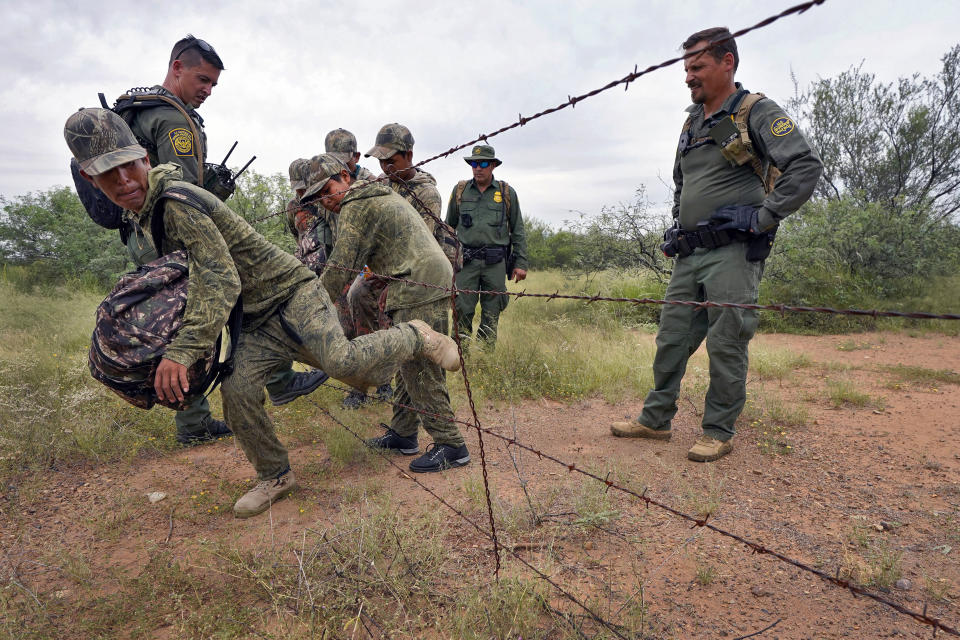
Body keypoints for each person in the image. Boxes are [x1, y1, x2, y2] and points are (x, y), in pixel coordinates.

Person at [65, 108, 462, 516]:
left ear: (144, 160)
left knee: (347, 363)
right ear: (89, 180)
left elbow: (219, 280)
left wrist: (182, 351)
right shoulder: (144, 212)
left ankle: (415, 334)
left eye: (128, 167)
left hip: (291, 294)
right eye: (108, 175)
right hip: (255, 318)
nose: (124, 181)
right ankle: (275, 474)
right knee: (237, 395)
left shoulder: (176, 202)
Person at [610, 27, 823, 462]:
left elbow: (804, 165)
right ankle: (655, 420)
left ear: (728, 62)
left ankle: (719, 430)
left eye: (697, 66)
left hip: (733, 250)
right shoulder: (692, 121)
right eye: (686, 68)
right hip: (690, 253)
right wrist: (677, 224)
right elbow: (681, 182)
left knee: (727, 340)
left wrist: (764, 217)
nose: (688, 76)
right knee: (671, 337)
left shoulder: (755, 111)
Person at [305, 154, 471, 473]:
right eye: (316, 198)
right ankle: (403, 433)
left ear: (344, 176)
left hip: (416, 280)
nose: (324, 201)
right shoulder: (373, 193)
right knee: (407, 359)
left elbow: (341, 267)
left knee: (420, 363)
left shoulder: (357, 203)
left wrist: (307, 308)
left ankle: (451, 444)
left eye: (326, 190)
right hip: (418, 277)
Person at [445, 144, 528, 345]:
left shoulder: (507, 192)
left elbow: (518, 229)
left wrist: (521, 262)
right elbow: (448, 227)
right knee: (462, 309)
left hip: (495, 263)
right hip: (465, 262)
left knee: (492, 313)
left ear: (492, 166)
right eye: (473, 163)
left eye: (482, 163)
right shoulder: (460, 191)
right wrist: (445, 259)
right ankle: (458, 355)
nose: (477, 168)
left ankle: (485, 359)